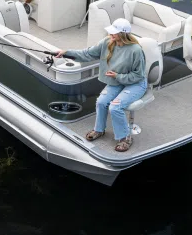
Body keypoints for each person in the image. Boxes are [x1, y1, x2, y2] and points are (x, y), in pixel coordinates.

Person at [55, 18, 146, 152]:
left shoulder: (136, 50)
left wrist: (118, 76)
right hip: (117, 82)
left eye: (114, 32)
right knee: (101, 102)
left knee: (115, 107)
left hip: (135, 84)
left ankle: (125, 137)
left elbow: (138, 75)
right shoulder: (107, 42)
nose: (111, 34)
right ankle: (99, 130)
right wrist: (67, 53)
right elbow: (87, 54)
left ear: (123, 34)